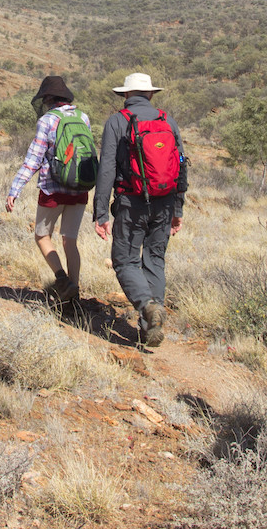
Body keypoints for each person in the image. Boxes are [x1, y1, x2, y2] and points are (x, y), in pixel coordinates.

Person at [93, 72, 186, 347]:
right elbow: (181, 164)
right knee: (155, 260)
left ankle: (146, 305)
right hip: (165, 202)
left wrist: (100, 213)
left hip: (131, 203)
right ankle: (149, 328)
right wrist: (178, 207)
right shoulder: (166, 120)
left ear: (125, 95)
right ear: (151, 94)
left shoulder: (117, 121)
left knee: (125, 261)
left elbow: (107, 169)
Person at [6, 76, 92, 302]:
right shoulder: (83, 117)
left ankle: (62, 280)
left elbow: (33, 159)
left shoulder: (47, 120)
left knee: (42, 236)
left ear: (48, 98)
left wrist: (15, 189)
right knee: (69, 240)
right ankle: (74, 293)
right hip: (80, 188)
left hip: (53, 190)